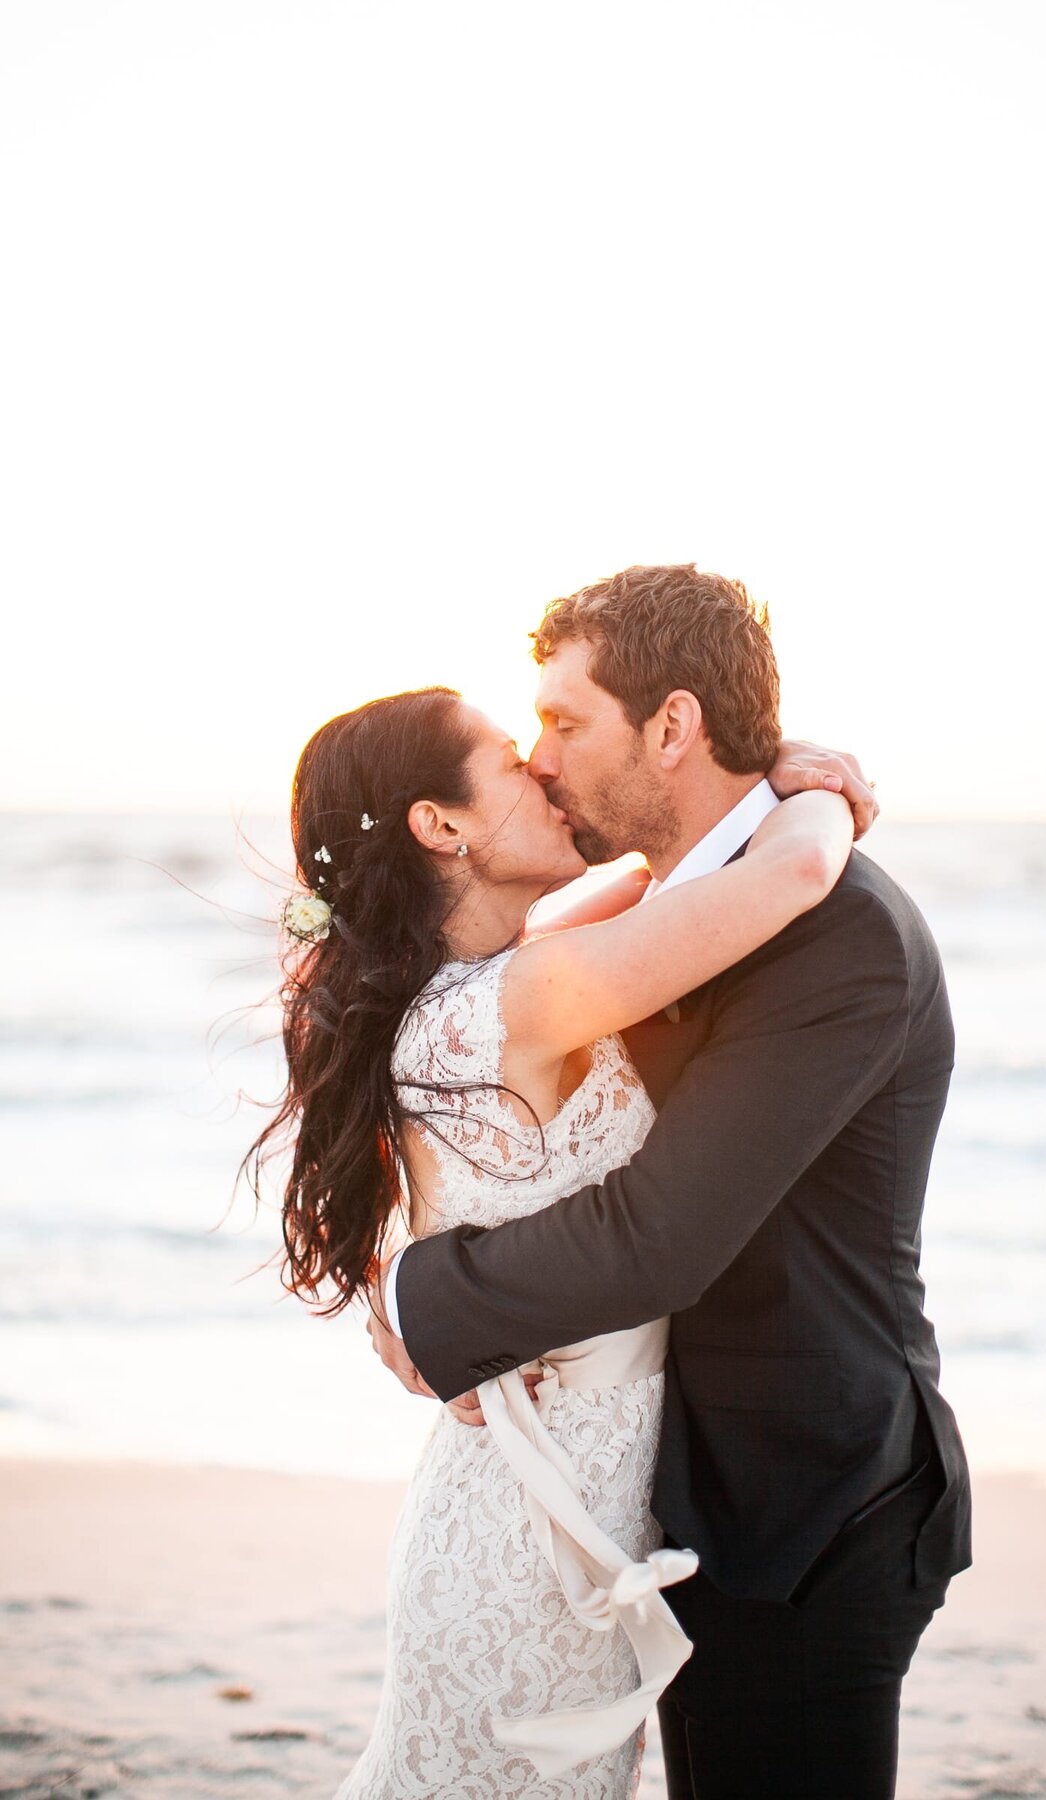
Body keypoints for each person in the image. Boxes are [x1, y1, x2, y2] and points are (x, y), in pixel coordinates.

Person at [370, 564, 972, 1800]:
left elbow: (660, 1237)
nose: (539, 760)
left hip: (815, 1500)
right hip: (688, 1494)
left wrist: (429, 1300)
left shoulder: (839, 933)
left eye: (565, 722)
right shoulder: (676, 911)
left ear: (674, 725)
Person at [246, 673, 859, 1799]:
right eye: (502, 757)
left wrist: (769, 785)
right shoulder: (510, 1003)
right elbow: (800, 874)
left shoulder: (478, 981)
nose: (539, 764)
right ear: (442, 827)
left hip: (536, 1505)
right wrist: (820, 789)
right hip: (528, 1543)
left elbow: (646, 883)